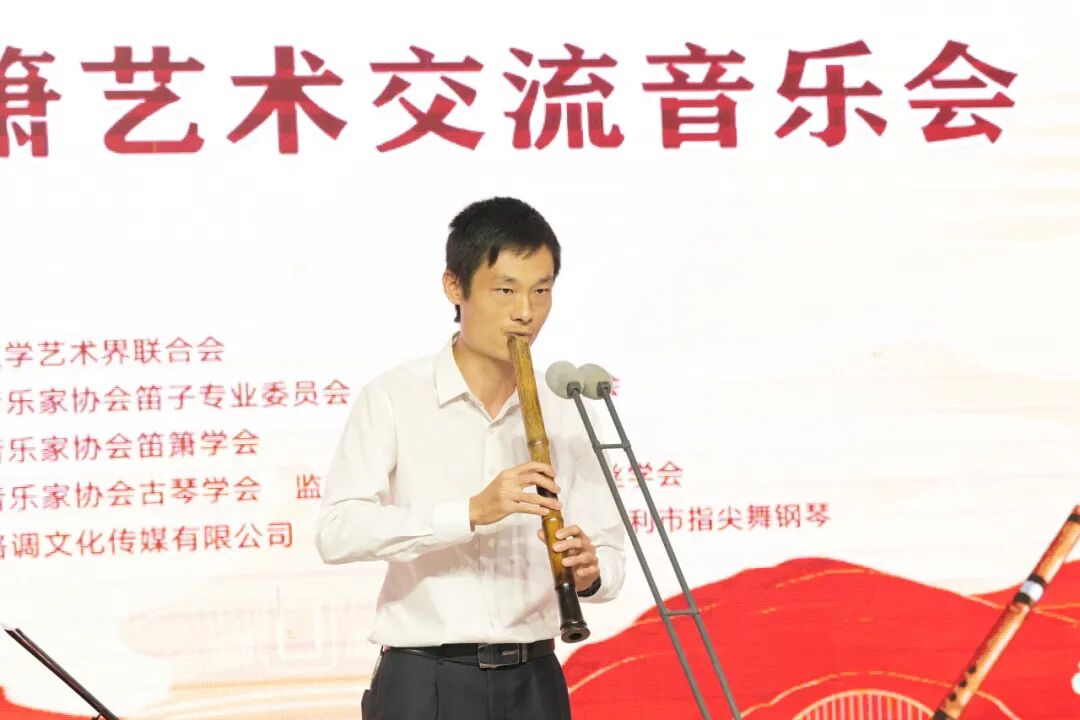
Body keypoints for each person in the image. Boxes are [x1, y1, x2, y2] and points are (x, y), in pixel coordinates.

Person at [315, 196, 627, 720]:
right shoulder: (394, 397)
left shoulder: (566, 408)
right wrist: (470, 512)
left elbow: (611, 556)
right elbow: (337, 532)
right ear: (454, 287)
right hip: (424, 679)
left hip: (535, 678)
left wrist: (590, 572)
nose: (525, 312)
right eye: (505, 290)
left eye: (541, 291)